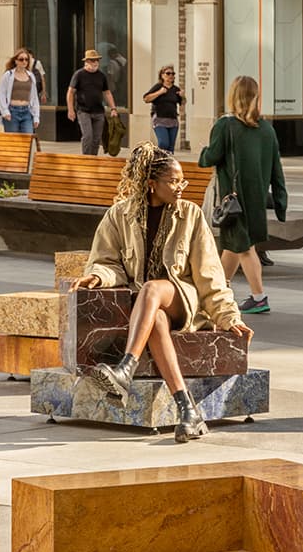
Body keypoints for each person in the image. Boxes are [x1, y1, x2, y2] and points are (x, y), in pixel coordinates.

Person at [70, 142, 252, 442]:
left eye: (183, 180)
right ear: (151, 184)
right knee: (154, 318)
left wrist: (228, 315)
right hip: (147, 306)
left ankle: (126, 368)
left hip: (183, 298)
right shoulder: (119, 215)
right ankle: (187, 408)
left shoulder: (190, 214)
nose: (182, 186)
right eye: (174, 181)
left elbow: (210, 274)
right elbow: (107, 262)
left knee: (154, 288)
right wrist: (97, 277)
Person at [198, 75, 287, 315]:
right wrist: (280, 203)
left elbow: (210, 158)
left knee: (244, 247)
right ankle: (218, 293)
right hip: (256, 199)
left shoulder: (225, 126)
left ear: (233, 96)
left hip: (234, 201)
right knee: (233, 246)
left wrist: (203, 152)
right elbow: (277, 169)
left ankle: (259, 297)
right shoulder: (267, 129)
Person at [67, 48, 119, 156]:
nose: (95, 63)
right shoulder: (79, 74)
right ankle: (86, 159)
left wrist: (113, 108)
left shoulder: (101, 76)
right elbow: (71, 92)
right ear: (86, 62)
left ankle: (93, 159)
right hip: (83, 110)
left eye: (97, 60)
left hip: (99, 111)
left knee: (96, 139)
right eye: (92, 60)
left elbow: (107, 93)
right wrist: (70, 110)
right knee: (88, 136)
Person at [0, 49, 40, 134]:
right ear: (16, 61)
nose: (24, 61)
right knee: (13, 141)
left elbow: (34, 98)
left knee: (27, 139)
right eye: (21, 59)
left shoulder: (31, 76)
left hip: (27, 111)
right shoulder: (8, 75)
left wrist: (36, 116)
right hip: (12, 111)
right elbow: (1, 94)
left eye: (26, 59)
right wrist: (5, 111)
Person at [144, 64, 182, 152]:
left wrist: (183, 97)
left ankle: (167, 165)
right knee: (163, 143)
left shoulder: (176, 89)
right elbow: (146, 99)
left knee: (170, 148)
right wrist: (159, 93)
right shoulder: (158, 87)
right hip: (159, 120)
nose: (171, 76)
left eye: (173, 74)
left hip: (173, 121)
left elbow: (182, 104)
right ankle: (157, 160)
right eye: (168, 73)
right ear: (162, 75)